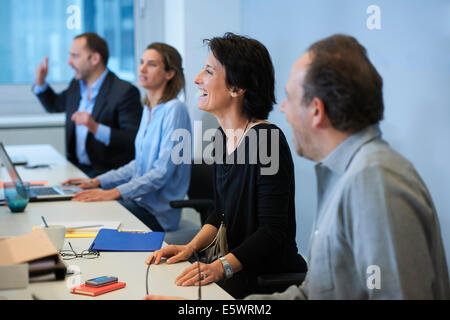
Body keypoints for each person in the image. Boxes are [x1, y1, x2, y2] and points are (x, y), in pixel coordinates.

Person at [245, 34, 450, 299]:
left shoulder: (374, 180)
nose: (282, 107)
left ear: (316, 111)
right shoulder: (344, 174)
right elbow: (314, 295)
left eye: (289, 97)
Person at [144, 33, 307, 299]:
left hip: (262, 278)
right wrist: (190, 247)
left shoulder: (266, 140)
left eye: (208, 71)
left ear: (237, 87)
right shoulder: (221, 137)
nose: (197, 79)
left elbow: (272, 233)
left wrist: (221, 268)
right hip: (230, 268)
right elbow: (219, 214)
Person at [64, 43, 192, 232]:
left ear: (169, 73)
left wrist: (113, 193)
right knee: (82, 210)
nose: (142, 69)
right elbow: (138, 164)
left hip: (158, 214)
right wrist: (99, 182)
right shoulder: (148, 109)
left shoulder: (175, 109)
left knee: (90, 218)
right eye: (141, 62)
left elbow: (162, 173)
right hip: (138, 202)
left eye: (152, 64)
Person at [34, 32, 142, 177]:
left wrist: (95, 128)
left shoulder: (125, 92)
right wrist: (40, 83)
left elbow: (133, 140)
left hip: (107, 176)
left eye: (75, 56)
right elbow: (54, 105)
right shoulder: (76, 85)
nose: (69, 62)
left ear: (95, 58)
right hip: (76, 170)